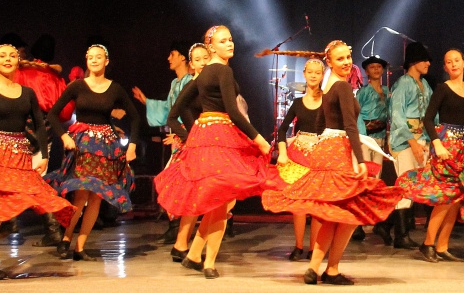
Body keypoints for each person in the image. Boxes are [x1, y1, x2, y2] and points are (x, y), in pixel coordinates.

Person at [262, 40, 402, 285]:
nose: (346, 62)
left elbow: (320, 123)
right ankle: (332, 269)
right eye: (340, 59)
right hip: (338, 151)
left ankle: (314, 267)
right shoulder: (343, 87)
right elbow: (350, 126)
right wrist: (360, 159)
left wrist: (317, 149)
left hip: (327, 150)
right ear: (329, 62)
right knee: (349, 213)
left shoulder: (328, 87)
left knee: (333, 214)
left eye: (348, 57)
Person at [155, 25, 277, 279]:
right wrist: (259, 139)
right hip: (221, 137)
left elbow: (174, 114)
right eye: (223, 41)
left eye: (230, 39)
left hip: (205, 138)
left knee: (218, 202)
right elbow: (233, 112)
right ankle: (209, 262)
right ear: (211, 46)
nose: (230, 44)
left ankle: (193, 254)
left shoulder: (201, 75)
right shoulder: (222, 70)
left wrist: (192, 135)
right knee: (221, 202)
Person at [45, 44, 140, 261]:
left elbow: (135, 117)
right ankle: (66, 238)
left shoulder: (115, 88)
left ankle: (80, 247)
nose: (94, 60)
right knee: (80, 195)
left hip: (105, 147)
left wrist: (132, 146)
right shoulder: (78, 86)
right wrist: (64, 136)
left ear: (106, 61)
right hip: (82, 146)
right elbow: (52, 114)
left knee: (96, 197)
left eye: (99, 57)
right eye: (90, 57)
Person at [0, 44, 76, 280]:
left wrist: (45, 156)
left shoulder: (27, 92)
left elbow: (39, 124)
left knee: (2, 210)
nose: (8, 59)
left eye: (12, 56)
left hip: (18, 157)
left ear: (18, 61)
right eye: (2, 56)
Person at [397, 49, 464, 263]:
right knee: (445, 198)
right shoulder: (442, 89)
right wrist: (438, 144)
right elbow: (428, 119)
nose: (453, 64)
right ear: (445, 67)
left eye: (456, 60)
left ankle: (442, 245)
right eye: (448, 62)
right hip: (446, 147)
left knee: (457, 199)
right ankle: (427, 244)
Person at [132, 40, 193, 244]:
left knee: (177, 181)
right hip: (178, 138)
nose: (169, 58)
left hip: (189, 137)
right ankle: (175, 226)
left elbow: (188, 112)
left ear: (183, 57)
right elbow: (169, 108)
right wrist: (146, 101)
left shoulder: (190, 82)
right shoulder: (175, 83)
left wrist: (180, 133)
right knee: (173, 181)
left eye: (172, 54)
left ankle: (180, 227)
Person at [162, 42, 211, 263]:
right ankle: (183, 245)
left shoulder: (212, 83)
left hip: (212, 143)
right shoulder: (191, 85)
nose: (203, 63)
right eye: (198, 59)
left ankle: (183, 245)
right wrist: (189, 136)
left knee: (205, 197)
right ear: (191, 64)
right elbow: (173, 116)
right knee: (197, 196)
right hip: (197, 146)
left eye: (205, 58)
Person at [385, 41, 435, 249]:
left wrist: (430, 139)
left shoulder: (425, 85)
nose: (428, 64)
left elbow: (431, 113)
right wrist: (412, 141)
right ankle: (401, 235)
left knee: (415, 186)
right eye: (424, 60)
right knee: (405, 184)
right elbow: (397, 115)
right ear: (414, 61)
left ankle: (386, 226)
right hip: (405, 141)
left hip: (422, 139)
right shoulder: (403, 83)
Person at [276, 58, 325, 261]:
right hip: (299, 155)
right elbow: (281, 130)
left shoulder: (328, 100)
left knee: (317, 205)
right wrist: (282, 152)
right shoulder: (297, 103)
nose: (313, 75)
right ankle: (298, 246)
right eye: (310, 72)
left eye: (317, 72)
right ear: (304, 74)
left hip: (320, 155)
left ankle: (314, 248)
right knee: (299, 204)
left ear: (322, 75)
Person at [353, 54, 390, 242]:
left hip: (380, 137)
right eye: (372, 67)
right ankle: (358, 223)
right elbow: (357, 114)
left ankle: (375, 221)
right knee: (365, 177)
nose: (376, 69)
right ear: (366, 71)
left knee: (376, 178)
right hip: (366, 137)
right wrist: (361, 136)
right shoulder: (363, 92)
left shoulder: (387, 91)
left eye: (379, 67)